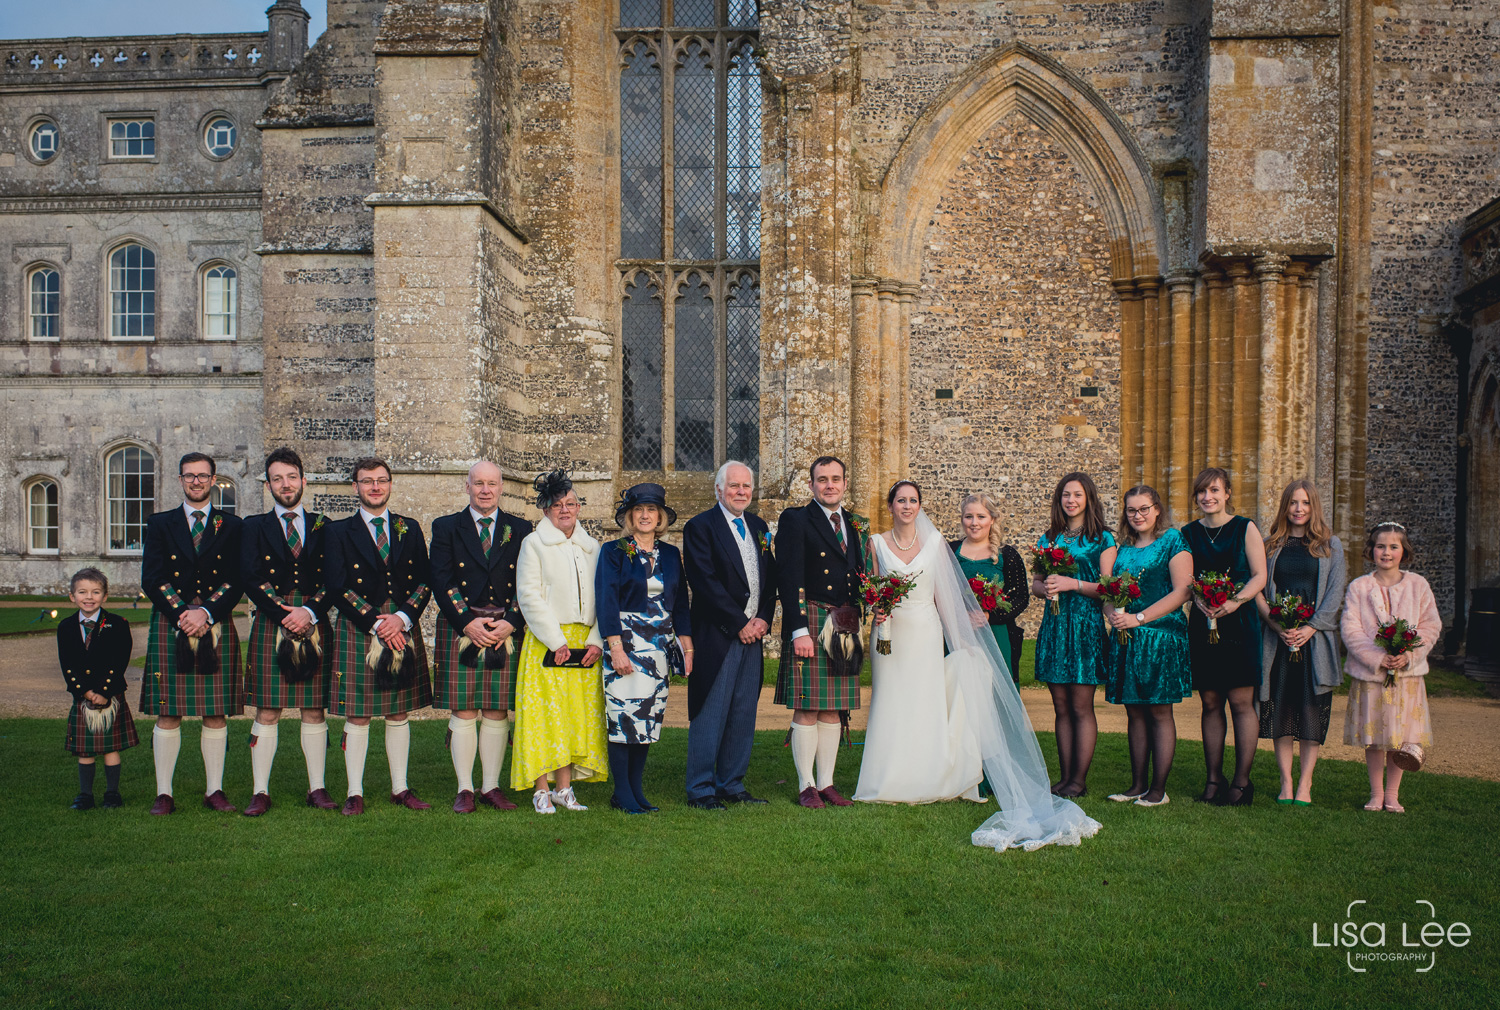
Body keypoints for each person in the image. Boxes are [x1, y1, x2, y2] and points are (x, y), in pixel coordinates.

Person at [857, 480, 984, 803]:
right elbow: (869, 590)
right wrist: (877, 609)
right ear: (890, 506)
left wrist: (960, 640)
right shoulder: (875, 543)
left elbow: (944, 595)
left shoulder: (936, 542)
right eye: (901, 500)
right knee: (890, 700)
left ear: (919, 506)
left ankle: (927, 775)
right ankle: (886, 779)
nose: (907, 506)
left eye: (913, 500)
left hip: (926, 630)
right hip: (889, 633)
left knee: (924, 701)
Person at [324, 457, 435, 816]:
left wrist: (402, 618)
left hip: (401, 624)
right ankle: (354, 792)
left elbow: (425, 580)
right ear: (354, 487)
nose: (375, 486)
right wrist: (376, 622)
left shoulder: (409, 527)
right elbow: (337, 586)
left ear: (390, 484)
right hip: (362, 627)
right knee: (357, 714)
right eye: (367, 481)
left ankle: (400, 788)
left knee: (398, 711)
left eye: (381, 480)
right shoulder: (338, 531)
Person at [139, 451, 245, 816]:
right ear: (180, 480)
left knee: (215, 713)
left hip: (214, 622)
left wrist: (208, 611)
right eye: (189, 476)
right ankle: (164, 793)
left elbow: (238, 578)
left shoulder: (232, 526)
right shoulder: (160, 523)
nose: (196, 481)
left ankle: (214, 790)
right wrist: (184, 613)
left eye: (203, 476)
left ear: (214, 480)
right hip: (174, 622)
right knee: (168, 712)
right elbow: (151, 578)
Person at [239, 447, 337, 816]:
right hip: (272, 619)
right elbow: (250, 576)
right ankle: (260, 792)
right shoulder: (253, 526)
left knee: (314, 708)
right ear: (268, 485)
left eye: (291, 477)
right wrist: (284, 613)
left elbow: (335, 578)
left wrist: (310, 611)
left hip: (313, 619)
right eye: (277, 478)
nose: (285, 484)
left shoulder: (324, 525)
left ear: (303, 481)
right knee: (268, 709)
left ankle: (318, 788)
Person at [430, 461, 530, 814]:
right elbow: (441, 580)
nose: (485, 490)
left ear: (502, 487)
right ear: (467, 486)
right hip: (464, 628)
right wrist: (466, 622)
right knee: (464, 708)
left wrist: (513, 622)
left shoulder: (519, 528)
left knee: (496, 708)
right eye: (478, 484)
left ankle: (491, 786)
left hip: (504, 628)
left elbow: (527, 582)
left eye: (492, 484)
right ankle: (464, 789)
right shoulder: (446, 527)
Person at [773, 456, 870, 808]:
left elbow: (858, 574)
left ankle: (827, 784)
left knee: (834, 708)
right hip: (811, 618)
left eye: (836, 478)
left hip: (845, 622)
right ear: (812, 485)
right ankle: (806, 785)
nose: (830, 485)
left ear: (845, 483)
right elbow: (789, 575)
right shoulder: (796, 519)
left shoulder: (854, 523)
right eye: (822, 479)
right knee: (808, 706)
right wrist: (798, 629)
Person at [682, 461, 777, 810]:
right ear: (718, 490)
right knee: (711, 710)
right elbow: (704, 581)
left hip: (754, 634)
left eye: (746, 486)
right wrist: (739, 622)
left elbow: (771, 579)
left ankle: (731, 783)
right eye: (734, 486)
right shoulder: (700, 527)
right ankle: (701, 788)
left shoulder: (758, 526)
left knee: (742, 712)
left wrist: (763, 618)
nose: (741, 492)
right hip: (718, 634)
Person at [512, 470, 607, 814]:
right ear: (546, 510)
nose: (565, 510)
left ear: (579, 507)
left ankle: (564, 790)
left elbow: (602, 597)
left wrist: (597, 640)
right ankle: (541, 789)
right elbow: (529, 596)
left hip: (584, 643)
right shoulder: (533, 544)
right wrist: (554, 640)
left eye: (570, 503)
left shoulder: (592, 547)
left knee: (571, 718)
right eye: (557, 505)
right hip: (547, 641)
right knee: (543, 717)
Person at [596, 484, 693, 814]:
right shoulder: (613, 551)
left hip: (659, 647)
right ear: (629, 516)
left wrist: (687, 647)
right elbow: (606, 601)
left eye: (652, 510)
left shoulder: (669, 554)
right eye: (639, 510)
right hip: (625, 643)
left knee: (648, 717)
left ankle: (636, 790)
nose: (645, 515)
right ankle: (622, 793)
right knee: (623, 717)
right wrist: (616, 648)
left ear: (661, 517)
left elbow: (680, 604)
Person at [1100, 485, 1192, 807]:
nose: (1137, 515)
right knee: (1135, 712)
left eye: (1144, 509)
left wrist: (1139, 618)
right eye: (1131, 510)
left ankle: (1158, 790)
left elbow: (1183, 591)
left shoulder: (1172, 540)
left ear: (1157, 509)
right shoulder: (1121, 550)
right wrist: (1112, 613)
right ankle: (1137, 785)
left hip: (1161, 637)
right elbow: (1108, 592)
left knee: (1159, 712)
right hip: (1127, 639)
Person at [1181, 468, 1267, 806]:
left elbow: (1260, 575)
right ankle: (1214, 778)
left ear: (1227, 493)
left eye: (1214, 490)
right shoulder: (1187, 533)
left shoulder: (1244, 528)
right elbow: (1185, 577)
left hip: (1239, 623)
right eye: (1201, 492)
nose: (1207, 497)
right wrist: (1199, 598)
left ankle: (1242, 782)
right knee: (1211, 702)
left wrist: (1234, 602)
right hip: (1203, 622)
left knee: (1241, 703)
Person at [1341, 522, 1441, 813]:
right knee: (1375, 737)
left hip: (1406, 676)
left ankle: (1392, 795)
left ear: (1403, 551)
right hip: (1372, 675)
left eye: (1393, 546)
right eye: (1380, 546)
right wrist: (1377, 657)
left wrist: (1408, 656)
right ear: (1371, 551)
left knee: (1400, 736)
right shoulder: (1359, 587)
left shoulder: (1417, 585)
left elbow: (1430, 625)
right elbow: (1351, 628)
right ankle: (1375, 793)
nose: (1386, 552)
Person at [1257, 479, 1346, 806]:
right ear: (1285, 506)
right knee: (1281, 710)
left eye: (1305, 503)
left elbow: (1335, 594)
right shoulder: (1270, 546)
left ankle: (1306, 784)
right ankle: (1286, 783)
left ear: (1314, 507)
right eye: (1293, 502)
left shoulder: (1329, 545)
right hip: (1278, 641)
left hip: (1314, 643)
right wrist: (1278, 625)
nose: (1299, 509)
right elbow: (1259, 591)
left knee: (1310, 712)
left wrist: (1309, 628)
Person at [1031, 472, 1113, 798]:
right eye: (1066, 495)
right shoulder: (1048, 538)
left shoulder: (1102, 539)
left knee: (1081, 707)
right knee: (1061, 707)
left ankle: (1079, 780)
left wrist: (1072, 584)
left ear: (1089, 498)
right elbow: (1035, 583)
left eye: (1077, 495)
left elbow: (1108, 587)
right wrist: (1045, 587)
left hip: (1085, 627)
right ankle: (1064, 778)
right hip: (1054, 627)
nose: (1071, 501)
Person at [58, 568, 138, 810]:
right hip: (83, 696)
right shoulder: (66, 626)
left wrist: (104, 691)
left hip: (110, 694)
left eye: (95, 592)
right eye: (82, 592)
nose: (89, 597)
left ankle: (112, 794)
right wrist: (85, 692)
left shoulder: (118, 624)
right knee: (85, 749)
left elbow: (120, 660)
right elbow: (67, 664)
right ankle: (85, 795)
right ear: (72, 596)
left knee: (110, 747)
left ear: (105, 596)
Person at [950, 492, 1029, 677]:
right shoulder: (950, 551)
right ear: (962, 519)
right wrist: (960, 617)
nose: (974, 522)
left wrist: (989, 615)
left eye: (981, 517)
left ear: (992, 519)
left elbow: (1021, 597)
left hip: (997, 633)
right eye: (968, 516)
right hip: (958, 635)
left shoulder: (1007, 555)